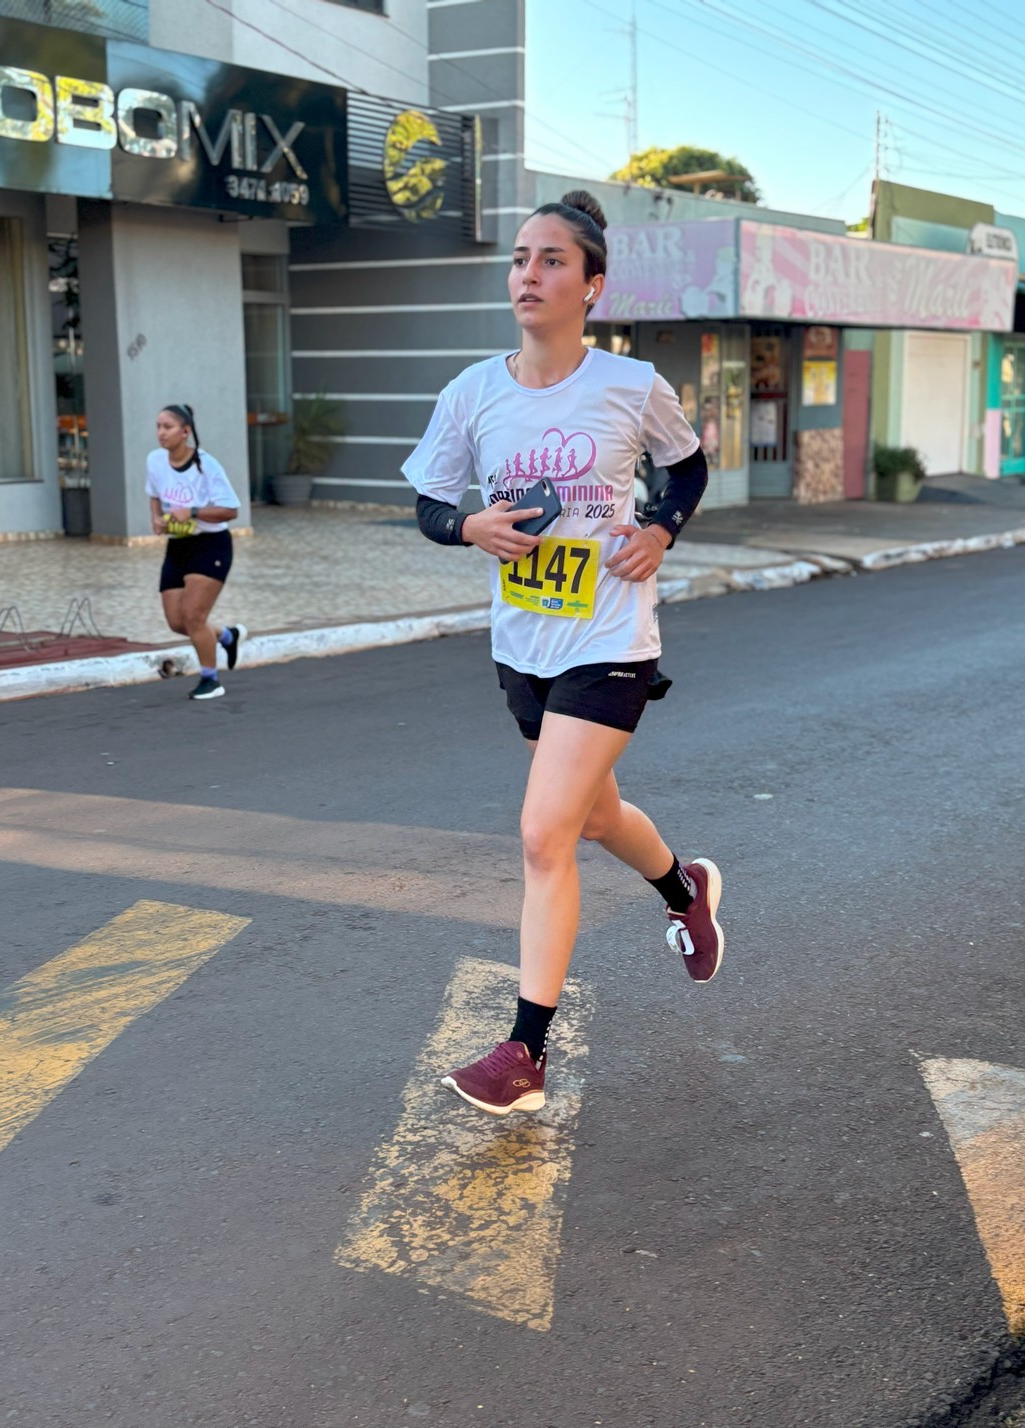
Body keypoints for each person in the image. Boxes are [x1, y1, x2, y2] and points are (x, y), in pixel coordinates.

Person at [402, 191, 724, 1116]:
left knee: (544, 831)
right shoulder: (472, 393)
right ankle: (683, 888)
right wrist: (467, 525)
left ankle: (524, 1051)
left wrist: (660, 528)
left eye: (550, 260)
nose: (528, 275)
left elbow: (688, 463)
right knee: (590, 816)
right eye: (519, 258)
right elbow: (427, 502)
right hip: (525, 645)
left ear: (592, 285)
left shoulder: (628, 385)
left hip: (610, 638)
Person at [146, 404, 246, 701]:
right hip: (178, 546)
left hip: (211, 545)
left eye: (168, 427)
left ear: (185, 432)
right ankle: (228, 637)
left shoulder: (207, 465)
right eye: (158, 426)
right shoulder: (154, 461)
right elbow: (153, 493)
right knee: (177, 622)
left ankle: (211, 680)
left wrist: (191, 511)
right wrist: (156, 518)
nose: (161, 433)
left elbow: (231, 510)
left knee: (194, 616)